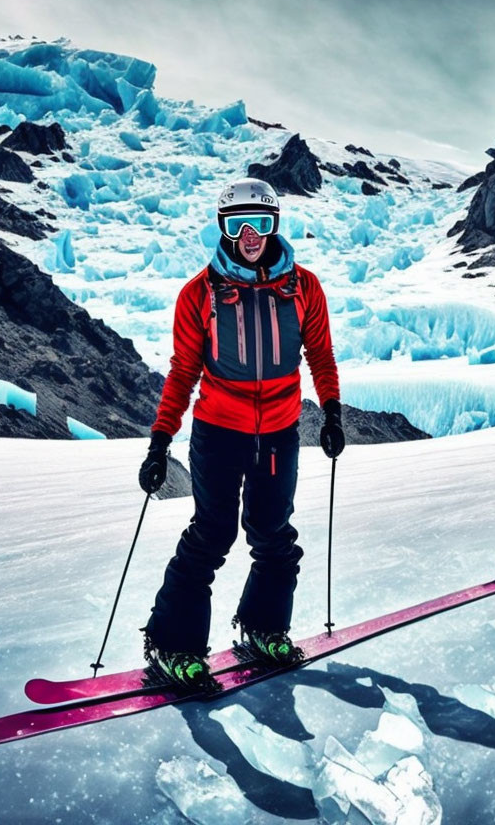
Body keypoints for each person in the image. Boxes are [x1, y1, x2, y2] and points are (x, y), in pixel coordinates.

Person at [136, 177, 344, 690]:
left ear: (275, 226)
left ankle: (263, 628)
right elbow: (183, 373)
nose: (250, 235)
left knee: (275, 535)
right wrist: (160, 442)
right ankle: (172, 646)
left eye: (261, 223)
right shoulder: (199, 293)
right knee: (212, 534)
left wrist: (334, 413)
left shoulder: (304, 288)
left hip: (278, 433)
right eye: (237, 224)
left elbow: (320, 354)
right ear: (224, 229)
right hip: (218, 434)